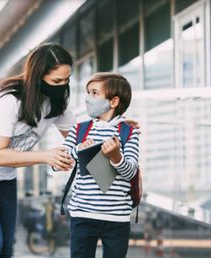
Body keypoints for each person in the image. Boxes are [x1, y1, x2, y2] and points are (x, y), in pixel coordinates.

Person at [0, 43, 76, 258]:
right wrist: (46, 156)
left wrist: (113, 122)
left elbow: (79, 140)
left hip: (5, 174)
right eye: (56, 81)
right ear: (38, 75)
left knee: (6, 248)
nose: (62, 86)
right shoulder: (9, 99)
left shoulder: (58, 102)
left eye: (67, 80)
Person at [62, 72, 140, 258]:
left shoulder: (129, 132)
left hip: (117, 218)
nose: (89, 98)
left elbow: (130, 173)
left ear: (113, 102)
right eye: (88, 92)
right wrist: (78, 149)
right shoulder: (79, 129)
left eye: (95, 93)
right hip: (82, 215)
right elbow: (59, 162)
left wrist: (116, 157)